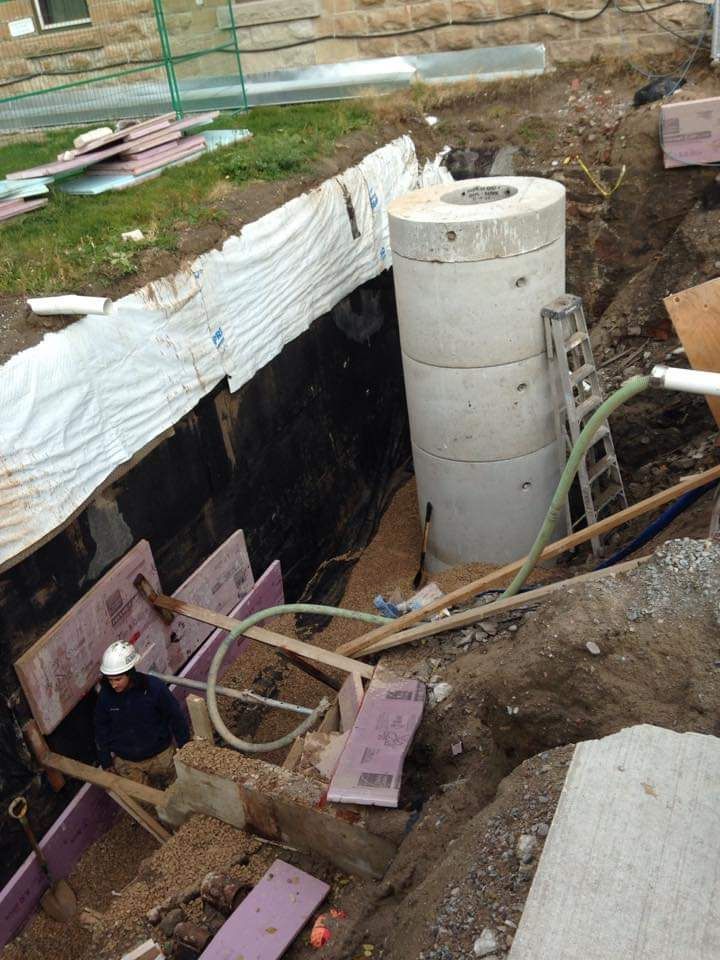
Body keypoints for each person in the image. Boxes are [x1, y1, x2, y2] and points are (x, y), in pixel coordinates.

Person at [94, 640, 190, 787]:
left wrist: (185, 747)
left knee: (178, 791)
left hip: (161, 757)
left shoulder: (154, 688)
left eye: (118, 679)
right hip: (127, 763)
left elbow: (175, 716)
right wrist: (106, 761)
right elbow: (101, 729)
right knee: (144, 803)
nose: (113, 685)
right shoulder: (106, 696)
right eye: (110, 680)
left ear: (130, 674)